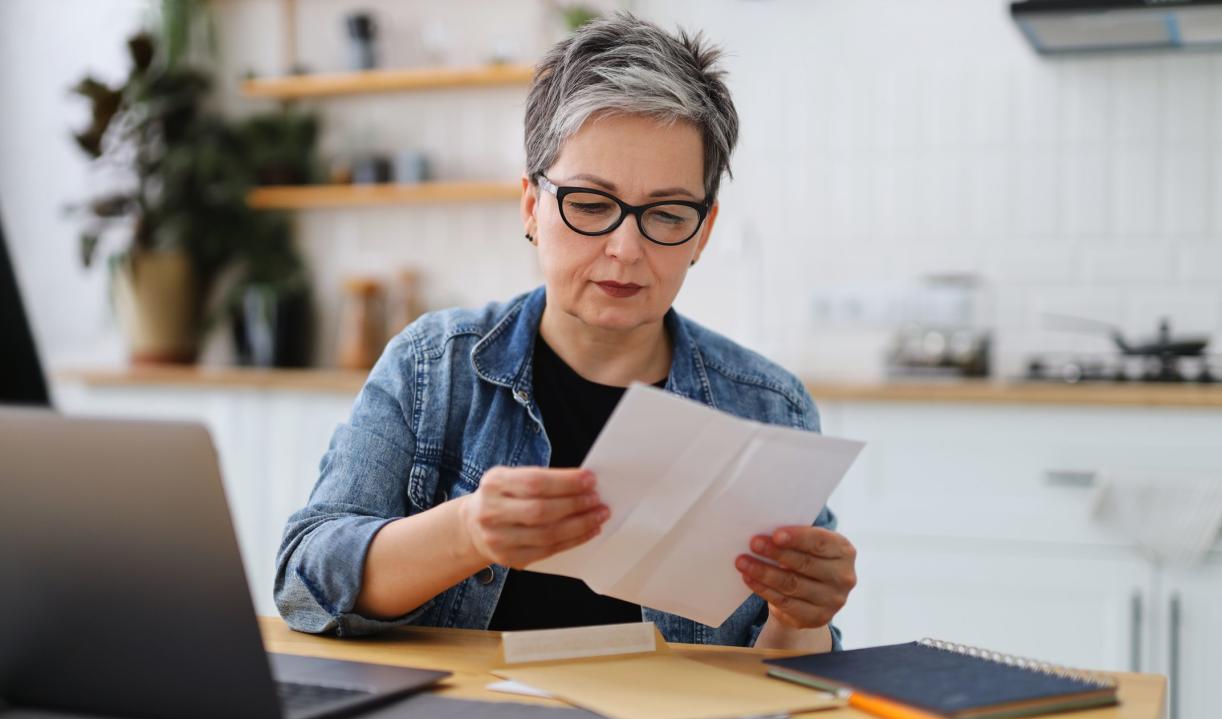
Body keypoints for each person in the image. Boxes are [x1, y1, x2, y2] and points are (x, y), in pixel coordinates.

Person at [275, 12, 856, 651]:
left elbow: (784, 677)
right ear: (532, 207)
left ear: (704, 231)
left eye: (666, 214)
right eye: (589, 204)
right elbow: (305, 582)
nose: (626, 248)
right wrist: (468, 532)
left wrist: (800, 620)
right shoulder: (432, 369)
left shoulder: (769, 408)